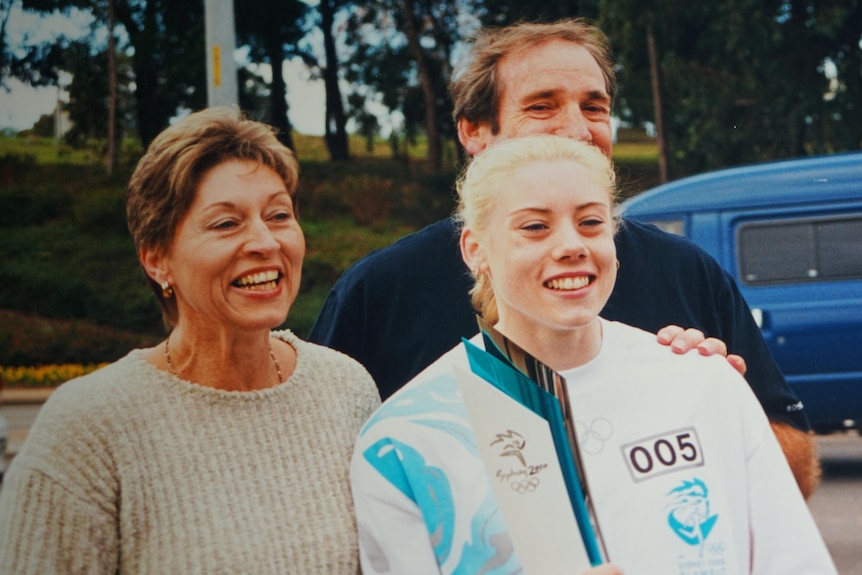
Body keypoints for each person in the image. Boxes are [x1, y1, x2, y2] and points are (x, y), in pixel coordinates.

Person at [309, 18, 819, 497]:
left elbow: (796, 473)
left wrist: (714, 401)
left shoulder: (687, 272)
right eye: (542, 106)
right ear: (474, 133)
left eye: (594, 107)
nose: (578, 129)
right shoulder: (381, 291)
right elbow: (328, 488)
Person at [350, 134, 836, 575]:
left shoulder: (703, 382)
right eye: (536, 227)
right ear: (475, 249)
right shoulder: (405, 440)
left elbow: (790, 559)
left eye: (590, 222)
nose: (571, 245)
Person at [0, 107, 381, 574]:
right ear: (157, 260)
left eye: (278, 215)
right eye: (226, 223)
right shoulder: (87, 428)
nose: (265, 241)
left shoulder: (346, 388)